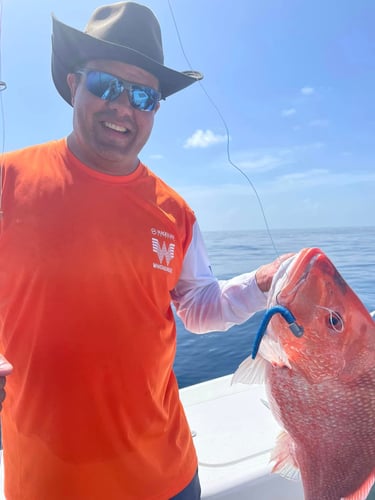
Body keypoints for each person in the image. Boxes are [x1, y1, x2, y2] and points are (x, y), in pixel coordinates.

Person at [0, 2, 294, 499]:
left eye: (144, 96)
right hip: (47, 481)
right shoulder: (8, 181)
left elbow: (198, 308)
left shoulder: (175, 212)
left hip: (168, 477)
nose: (123, 106)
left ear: (156, 109)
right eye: (106, 85)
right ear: (74, 84)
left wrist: (263, 282)